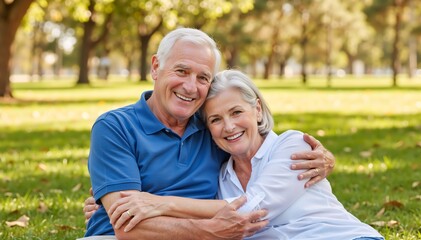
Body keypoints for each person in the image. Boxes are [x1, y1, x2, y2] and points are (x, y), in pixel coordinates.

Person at [81, 28, 335, 239]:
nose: (190, 87)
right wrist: (208, 231)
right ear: (156, 67)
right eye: (181, 71)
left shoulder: (212, 130)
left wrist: (323, 158)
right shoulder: (114, 127)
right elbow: (126, 227)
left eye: (203, 77)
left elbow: (260, 148)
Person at [104, 70, 384, 240]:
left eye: (237, 112)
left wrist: (158, 203)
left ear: (258, 110)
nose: (229, 126)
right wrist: (108, 197)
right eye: (215, 119)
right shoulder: (221, 178)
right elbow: (212, 220)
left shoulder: (293, 145)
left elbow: (250, 209)